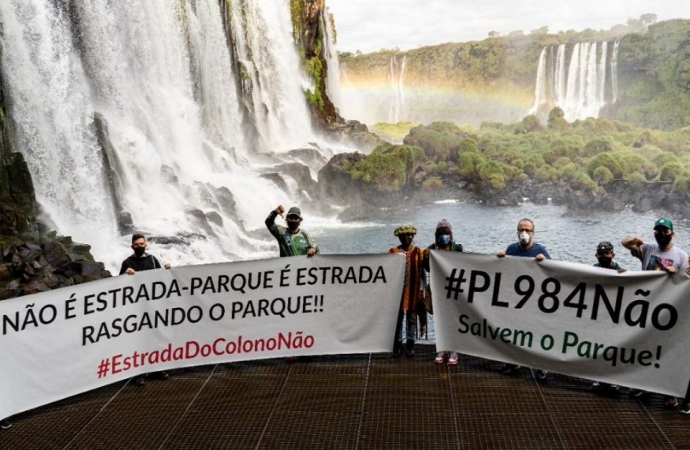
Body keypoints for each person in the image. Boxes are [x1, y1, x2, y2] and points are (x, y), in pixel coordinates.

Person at [622, 217, 688, 409]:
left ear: (672, 233)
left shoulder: (681, 256)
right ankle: (640, 384)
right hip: (646, 306)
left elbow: (685, 283)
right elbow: (624, 243)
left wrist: (675, 273)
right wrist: (634, 240)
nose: (661, 234)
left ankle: (669, 391)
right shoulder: (648, 248)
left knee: (667, 350)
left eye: (665, 231)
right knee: (643, 347)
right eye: (658, 230)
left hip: (669, 309)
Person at [497, 218, 550, 380]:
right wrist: (499, 258)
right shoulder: (511, 249)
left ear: (533, 233)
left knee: (536, 333)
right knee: (513, 331)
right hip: (515, 300)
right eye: (521, 229)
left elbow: (554, 274)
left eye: (528, 230)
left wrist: (545, 261)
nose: (524, 233)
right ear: (517, 231)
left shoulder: (540, 250)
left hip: (534, 300)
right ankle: (513, 362)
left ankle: (540, 366)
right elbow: (502, 271)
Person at [120, 233, 172, 386]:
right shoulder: (127, 262)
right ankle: (138, 373)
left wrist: (167, 270)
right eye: (136, 245)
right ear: (132, 246)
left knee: (155, 337)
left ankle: (158, 368)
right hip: (136, 308)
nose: (139, 247)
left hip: (152, 306)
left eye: (142, 244)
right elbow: (118, 285)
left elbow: (160, 279)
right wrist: (125, 274)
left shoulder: (152, 260)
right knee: (138, 341)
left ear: (146, 244)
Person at [423, 219, 463, 365]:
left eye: (446, 233)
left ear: (451, 234)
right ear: (436, 235)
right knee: (440, 320)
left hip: (454, 289)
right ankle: (441, 348)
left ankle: (454, 349)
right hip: (438, 290)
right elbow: (427, 269)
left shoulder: (457, 249)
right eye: (441, 233)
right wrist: (426, 258)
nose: (443, 236)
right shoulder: (431, 249)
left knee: (454, 319)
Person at [590, 241, 625, 392]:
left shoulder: (620, 271)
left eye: (607, 253)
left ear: (613, 254)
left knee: (613, 346)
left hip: (614, 314)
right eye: (601, 253)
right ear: (596, 255)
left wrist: (628, 277)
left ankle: (613, 379)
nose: (604, 256)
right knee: (598, 345)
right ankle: (598, 376)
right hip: (598, 313)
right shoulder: (593, 270)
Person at [389, 224, 425, 357]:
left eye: (410, 235)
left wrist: (421, 290)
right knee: (397, 319)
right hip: (397, 291)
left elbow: (422, 273)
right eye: (404, 236)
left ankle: (410, 344)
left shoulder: (419, 252)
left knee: (411, 319)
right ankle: (397, 344)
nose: (407, 238)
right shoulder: (393, 251)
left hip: (414, 290)